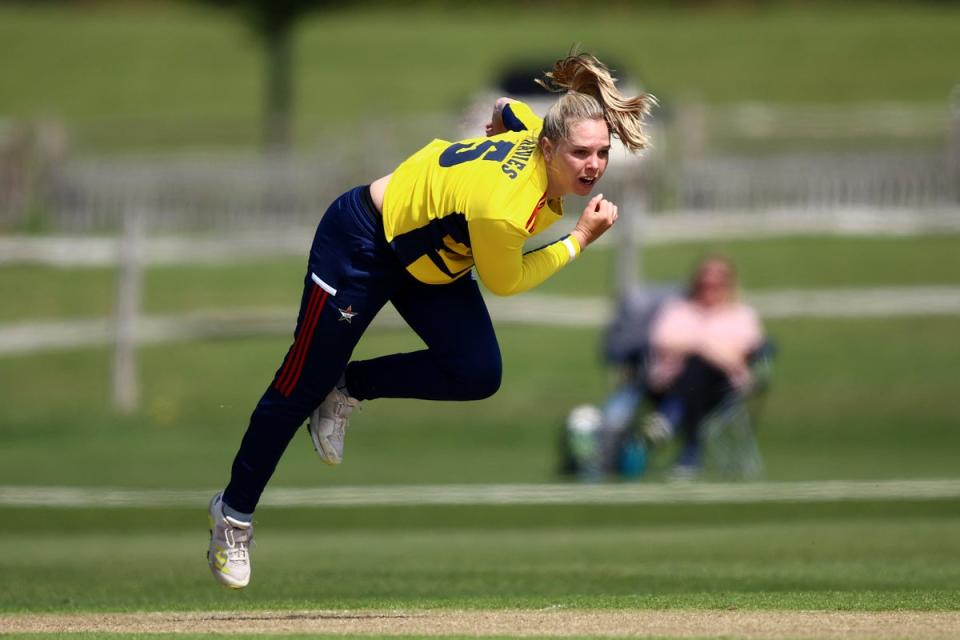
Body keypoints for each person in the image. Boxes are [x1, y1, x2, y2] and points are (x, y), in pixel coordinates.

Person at [207, 52, 656, 589]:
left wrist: (498, 118)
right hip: (364, 241)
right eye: (581, 152)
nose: (593, 165)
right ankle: (232, 516)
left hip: (430, 260)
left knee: (476, 373)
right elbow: (506, 281)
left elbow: (509, 107)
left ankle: (348, 387)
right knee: (298, 382)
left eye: (602, 153)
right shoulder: (503, 205)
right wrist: (579, 239)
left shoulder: (535, 135)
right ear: (548, 147)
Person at [642, 254, 765, 476]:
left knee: (699, 367)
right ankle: (689, 455)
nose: (710, 288)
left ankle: (669, 420)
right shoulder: (678, 309)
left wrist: (700, 348)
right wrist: (707, 348)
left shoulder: (741, 315)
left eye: (717, 284)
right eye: (705, 283)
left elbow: (742, 355)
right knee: (694, 371)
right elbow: (662, 342)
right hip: (670, 383)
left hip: (722, 388)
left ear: (728, 284)